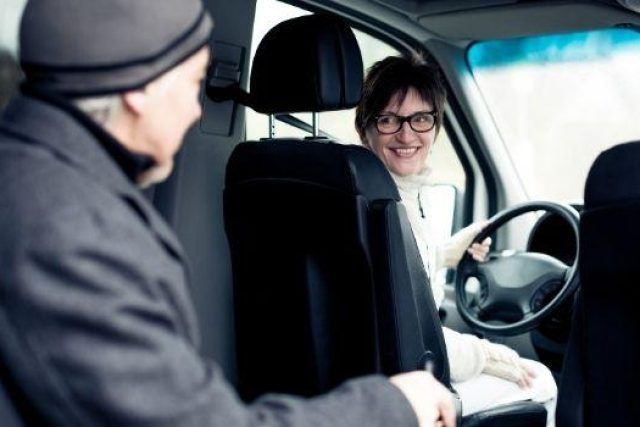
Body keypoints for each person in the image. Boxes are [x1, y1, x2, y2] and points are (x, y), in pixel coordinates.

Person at [0, 1, 457, 426]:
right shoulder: (72, 230)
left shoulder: (30, 175)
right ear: (143, 90)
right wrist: (393, 405)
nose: (191, 111)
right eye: (193, 84)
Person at [355, 55, 558, 424]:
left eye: (420, 119)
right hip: (403, 379)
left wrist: (447, 253)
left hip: (363, 373)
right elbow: (412, 335)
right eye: (388, 120)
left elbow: (396, 276)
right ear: (364, 127)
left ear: (435, 126)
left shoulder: (359, 189)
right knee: (542, 380)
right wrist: (493, 356)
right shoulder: (384, 206)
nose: (406, 134)